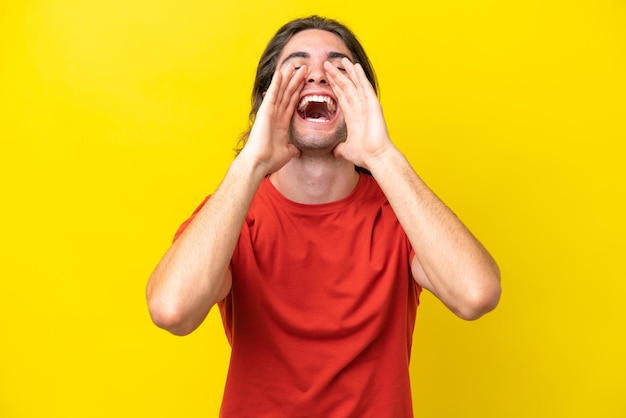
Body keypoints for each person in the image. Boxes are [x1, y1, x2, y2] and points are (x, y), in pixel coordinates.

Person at [146, 15, 501, 417]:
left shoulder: (401, 212)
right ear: (268, 102)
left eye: (337, 68)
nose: (316, 76)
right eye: (296, 68)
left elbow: (477, 295)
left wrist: (382, 156)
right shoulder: (234, 214)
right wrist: (254, 160)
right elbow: (172, 310)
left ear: (361, 97)